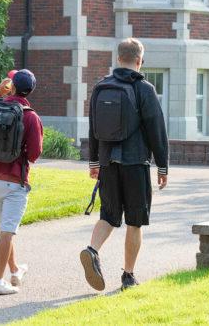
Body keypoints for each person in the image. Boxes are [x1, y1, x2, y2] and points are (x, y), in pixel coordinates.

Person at [81, 38, 169, 291]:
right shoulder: (145, 89)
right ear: (140, 60)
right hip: (135, 163)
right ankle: (128, 276)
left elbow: (94, 127)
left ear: (119, 59)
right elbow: (156, 130)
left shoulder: (101, 87)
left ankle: (92, 250)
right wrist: (162, 167)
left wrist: (94, 161)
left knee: (108, 215)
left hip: (108, 164)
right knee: (135, 221)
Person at [0, 69, 44, 295]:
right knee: (7, 231)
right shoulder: (31, 116)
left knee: (6, 228)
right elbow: (34, 154)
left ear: (11, 86)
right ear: (31, 90)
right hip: (15, 181)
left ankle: (15, 270)